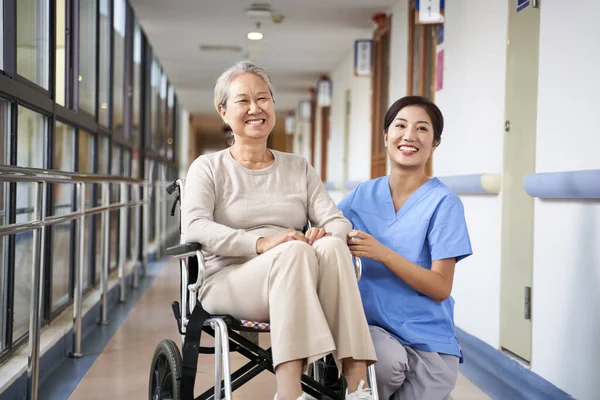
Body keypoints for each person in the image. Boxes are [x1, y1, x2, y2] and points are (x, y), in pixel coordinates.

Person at [181, 60, 376, 400]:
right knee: (294, 250)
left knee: (329, 247)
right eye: (243, 100)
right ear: (224, 112)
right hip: (229, 279)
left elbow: (337, 220)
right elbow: (195, 227)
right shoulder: (208, 167)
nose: (255, 108)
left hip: (296, 274)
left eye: (263, 98)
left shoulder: (298, 167)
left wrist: (326, 233)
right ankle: (289, 393)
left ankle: (358, 387)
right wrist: (261, 243)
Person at [338, 96, 473, 400]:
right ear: (386, 135)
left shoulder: (444, 203)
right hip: (372, 330)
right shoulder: (362, 195)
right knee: (384, 364)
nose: (409, 136)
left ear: (434, 143)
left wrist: (381, 253)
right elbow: (326, 227)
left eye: (422, 129)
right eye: (400, 125)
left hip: (429, 340)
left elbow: (440, 287)